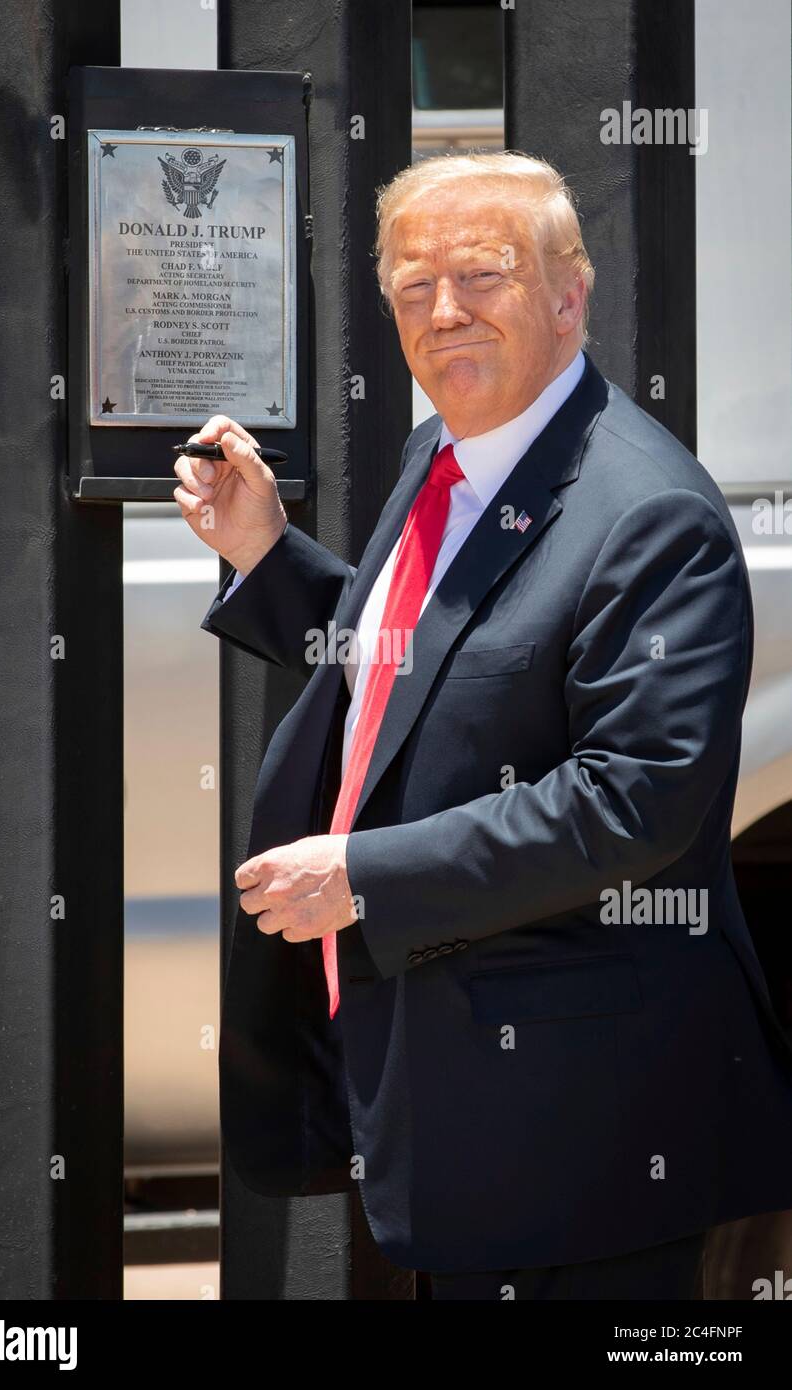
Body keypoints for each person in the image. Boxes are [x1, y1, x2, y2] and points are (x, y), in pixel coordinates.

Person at [174, 151, 792, 1300]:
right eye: (412, 287)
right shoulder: (445, 450)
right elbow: (434, 662)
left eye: (481, 275)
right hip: (458, 1114)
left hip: (585, 1142)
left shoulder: (646, 511)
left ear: (570, 295)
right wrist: (267, 558)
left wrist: (363, 872)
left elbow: (634, 796)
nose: (442, 310)